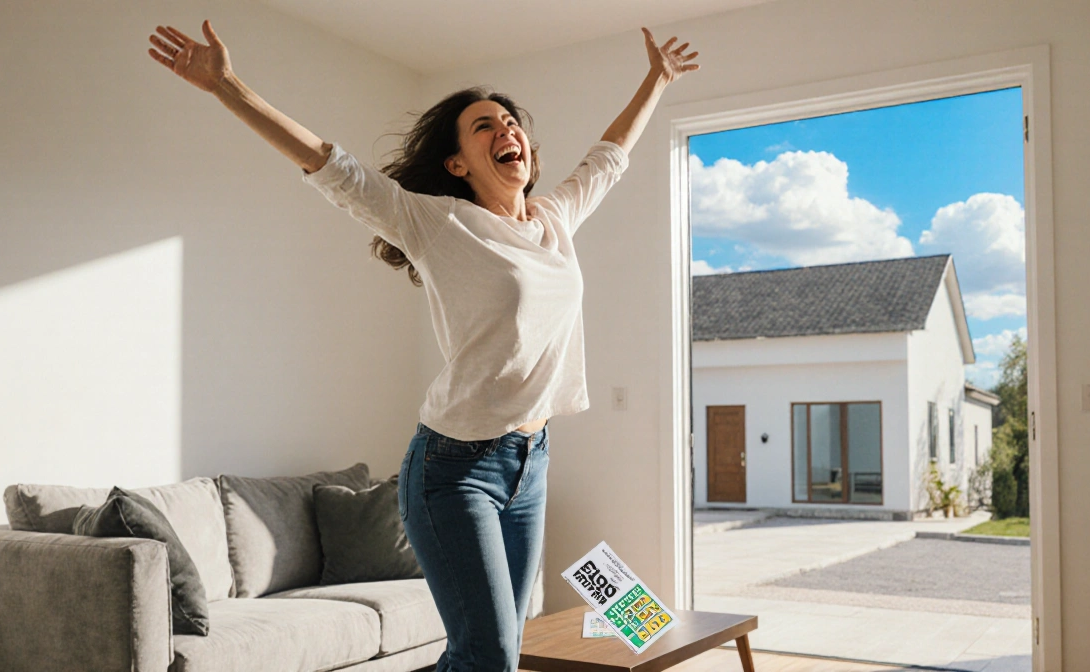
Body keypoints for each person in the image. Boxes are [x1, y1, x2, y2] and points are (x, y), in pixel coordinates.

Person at [147, 20, 699, 672]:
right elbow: (333, 166)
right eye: (485, 127)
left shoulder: (554, 219)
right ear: (457, 163)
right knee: (486, 656)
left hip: (531, 463)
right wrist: (227, 87)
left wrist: (657, 80)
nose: (506, 131)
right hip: (454, 470)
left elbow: (609, 156)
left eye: (511, 121)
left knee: (498, 655)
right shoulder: (438, 223)